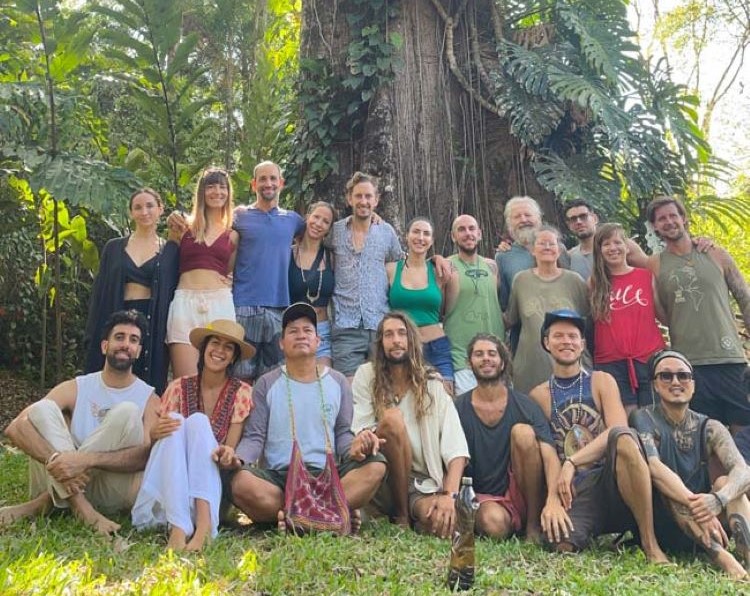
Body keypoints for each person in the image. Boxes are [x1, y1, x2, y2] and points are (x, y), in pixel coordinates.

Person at [1, 310, 159, 536]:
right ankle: (82, 508)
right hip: (60, 476)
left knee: (127, 412)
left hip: (110, 489)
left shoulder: (149, 398)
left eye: (133, 340)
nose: (126, 344)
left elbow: (144, 456)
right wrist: (55, 459)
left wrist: (86, 460)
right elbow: (17, 426)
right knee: (43, 408)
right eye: (119, 337)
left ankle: (44, 503)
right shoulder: (77, 387)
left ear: (139, 351)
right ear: (105, 346)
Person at [229, 302, 386, 530]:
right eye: (293, 331)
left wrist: (356, 446)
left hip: (328, 476)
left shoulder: (338, 381)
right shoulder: (266, 383)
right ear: (282, 343)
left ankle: (299, 519)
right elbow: (255, 437)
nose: (301, 335)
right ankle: (330, 517)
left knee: (376, 466)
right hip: (281, 477)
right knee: (240, 482)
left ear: (318, 341)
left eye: (307, 331)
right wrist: (238, 459)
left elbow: (342, 434)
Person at [529, 310, 667, 563]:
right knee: (562, 544)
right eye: (558, 336)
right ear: (547, 343)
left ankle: (650, 543)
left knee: (625, 438)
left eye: (573, 336)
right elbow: (547, 451)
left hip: (611, 476)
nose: (566, 342)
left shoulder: (601, 381)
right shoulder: (539, 395)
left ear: (582, 344)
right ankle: (590, 527)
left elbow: (616, 429)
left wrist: (572, 462)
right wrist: (552, 498)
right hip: (575, 488)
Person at [131, 319, 254, 551]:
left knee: (197, 422)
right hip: (171, 488)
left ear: (234, 357)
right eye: (215, 343)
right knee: (176, 421)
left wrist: (228, 453)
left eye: (228, 347)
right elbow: (162, 447)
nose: (219, 351)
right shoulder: (178, 387)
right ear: (204, 348)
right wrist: (155, 434)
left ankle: (203, 525)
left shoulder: (242, 392)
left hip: (213, 488)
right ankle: (178, 527)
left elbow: (229, 451)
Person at [630, 350, 750, 579]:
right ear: (655, 385)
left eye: (683, 376)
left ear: (693, 385)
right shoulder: (643, 418)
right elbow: (655, 468)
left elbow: (743, 471)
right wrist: (699, 505)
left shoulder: (711, 426)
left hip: (711, 523)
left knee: (728, 482)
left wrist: (718, 499)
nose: (676, 381)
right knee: (671, 491)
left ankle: (748, 556)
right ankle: (725, 560)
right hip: (666, 519)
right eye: (666, 376)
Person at [351, 312, 469, 536]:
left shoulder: (432, 384)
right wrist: (364, 439)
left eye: (402, 333)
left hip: (420, 485)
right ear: (381, 342)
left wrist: (449, 496)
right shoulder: (367, 375)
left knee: (443, 524)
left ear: (412, 340)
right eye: (388, 334)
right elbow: (362, 429)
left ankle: (416, 515)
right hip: (381, 479)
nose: (396, 340)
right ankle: (402, 517)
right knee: (393, 420)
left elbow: (456, 450)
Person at [637, 196, 750, 429]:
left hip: (730, 358)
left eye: (673, 215)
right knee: (708, 436)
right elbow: (661, 314)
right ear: (655, 227)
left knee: (744, 432)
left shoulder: (716, 253)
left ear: (684, 218)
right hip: (688, 365)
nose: (668, 222)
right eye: (661, 219)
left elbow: (744, 299)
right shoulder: (654, 264)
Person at [454, 333, 558, 542]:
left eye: (492, 354)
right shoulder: (457, 407)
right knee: (495, 526)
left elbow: (549, 454)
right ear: (469, 363)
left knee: (523, 433)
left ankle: (532, 525)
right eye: (479, 354)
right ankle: (497, 521)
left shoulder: (524, 405)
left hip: (521, 493)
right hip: (482, 497)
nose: (486, 359)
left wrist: (553, 498)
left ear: (502, 363)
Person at [84, 188, 178, 395]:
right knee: (110, 373)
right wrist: (94, 331)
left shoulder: (170, 250)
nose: (144, 212)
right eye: (138, 207)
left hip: (152, 322)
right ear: (131, 213)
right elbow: (99, 292)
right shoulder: (114, 247)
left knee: (145, 383)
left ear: (160, 209)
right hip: (117, 314)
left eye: (150, 206)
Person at [232, 161, 306, 381]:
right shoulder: (239, 217)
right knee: (240, 377)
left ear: (281, 183)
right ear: (254, 184)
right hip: (244, 307)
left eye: (273, 178)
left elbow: (314, 238)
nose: (268, 183)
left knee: (274, 379)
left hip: (278, 308)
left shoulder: (293, 220)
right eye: (263, 179)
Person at [329, 172, 403, 379]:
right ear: (349, 198)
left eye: (368, 196)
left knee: (383, 388)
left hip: (379, 325)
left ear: (376, 200)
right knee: (349, 392)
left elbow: (400, 266)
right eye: (359, 196)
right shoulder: (335, 231)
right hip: (345, 326)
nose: (363, 201)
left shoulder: (386, 232)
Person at [166, 167, 239, 378]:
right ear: (202, 192)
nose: (217, 192)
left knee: (215, 378)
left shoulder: (233, 235)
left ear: (228, 193)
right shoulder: (183, 227)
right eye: (211, 186)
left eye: (222, 187)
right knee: (185, 381)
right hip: (184, 303)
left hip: (219, 302)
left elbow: (229, 272)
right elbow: (168, 263)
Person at [589, 223, 666, 411]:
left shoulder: (646, 276)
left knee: (653, 418)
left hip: (648, 358)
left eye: (617, 242)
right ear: (599, 250)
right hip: (611, 362)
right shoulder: (594, 283)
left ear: (627, 245)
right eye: (606, 244)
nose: (613, 248)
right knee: (625, 420)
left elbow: (663, 315)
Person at [505, 226, 590, 394]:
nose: (547, 247)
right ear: (532, 250)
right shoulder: (521, 280)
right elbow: (511, 318)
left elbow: (586, 321)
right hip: (530, 369)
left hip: (570, 367)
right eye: (541, 243)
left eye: (552, 243)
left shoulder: (574, 281)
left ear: (559, 250)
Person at [387, 217, 455, 391]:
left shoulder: (439, 271)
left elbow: (450, 310)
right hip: (403, 348)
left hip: (437, 347)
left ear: (431, 241)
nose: (420, 237)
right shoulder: (391, 269)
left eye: (426, 234)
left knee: (445, 398)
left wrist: (438, 258)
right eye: (416, 232)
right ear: (406, 236)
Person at [443, 215, 505, 396]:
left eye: (471, 229)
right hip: (462, 358)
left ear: (479, 234)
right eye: (461, 230)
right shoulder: (446, 267)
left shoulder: (492, 267)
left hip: (496, 356)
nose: (467, 233)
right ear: (453, 236)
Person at [495, 195, 570, 311]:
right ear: (509, 224)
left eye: (528, 215)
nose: (523, 220)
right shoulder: (503, 256)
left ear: (539, 218)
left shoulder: (558, 249)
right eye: (517, 217)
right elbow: (504, 303)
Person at [289, 201, 336, 367]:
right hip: (294, 328)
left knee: (324, 382)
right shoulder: (289, 253)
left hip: (321, 330)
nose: (318, 224)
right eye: (316, 217)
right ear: (307, 217)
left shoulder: (332, 257)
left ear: (329, 229)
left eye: (325, 221)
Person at [563, 199, 598, 280]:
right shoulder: (569, 257)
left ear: (595, 219)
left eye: (583, 216)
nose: (578, 222)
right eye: (573, 219)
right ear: (569, 225)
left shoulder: (616, 249)